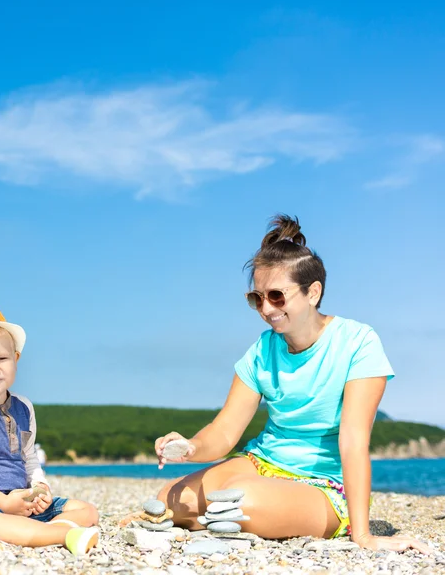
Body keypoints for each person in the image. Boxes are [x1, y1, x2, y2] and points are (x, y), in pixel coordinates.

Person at [146, 215, 430, 553]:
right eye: (257, 298)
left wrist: (363, 535)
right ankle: (229, 511)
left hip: (325, 484)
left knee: (242, 500)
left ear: (313, 292)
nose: (266, 309)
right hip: (262, 463)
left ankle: (244, 510)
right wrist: (191, 447)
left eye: (277, 296)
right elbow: (223, 432)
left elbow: (354, 440)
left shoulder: (358, 342)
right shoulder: (261, 351)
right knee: (168, 500)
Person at [0, 304, 99, 554]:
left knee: (87, 510)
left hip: (18, 500)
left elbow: (28, 457)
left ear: (16, 359)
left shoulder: (24, 407)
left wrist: (40, 487)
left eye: (2, 358)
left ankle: (43, 532)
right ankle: (60, 533)